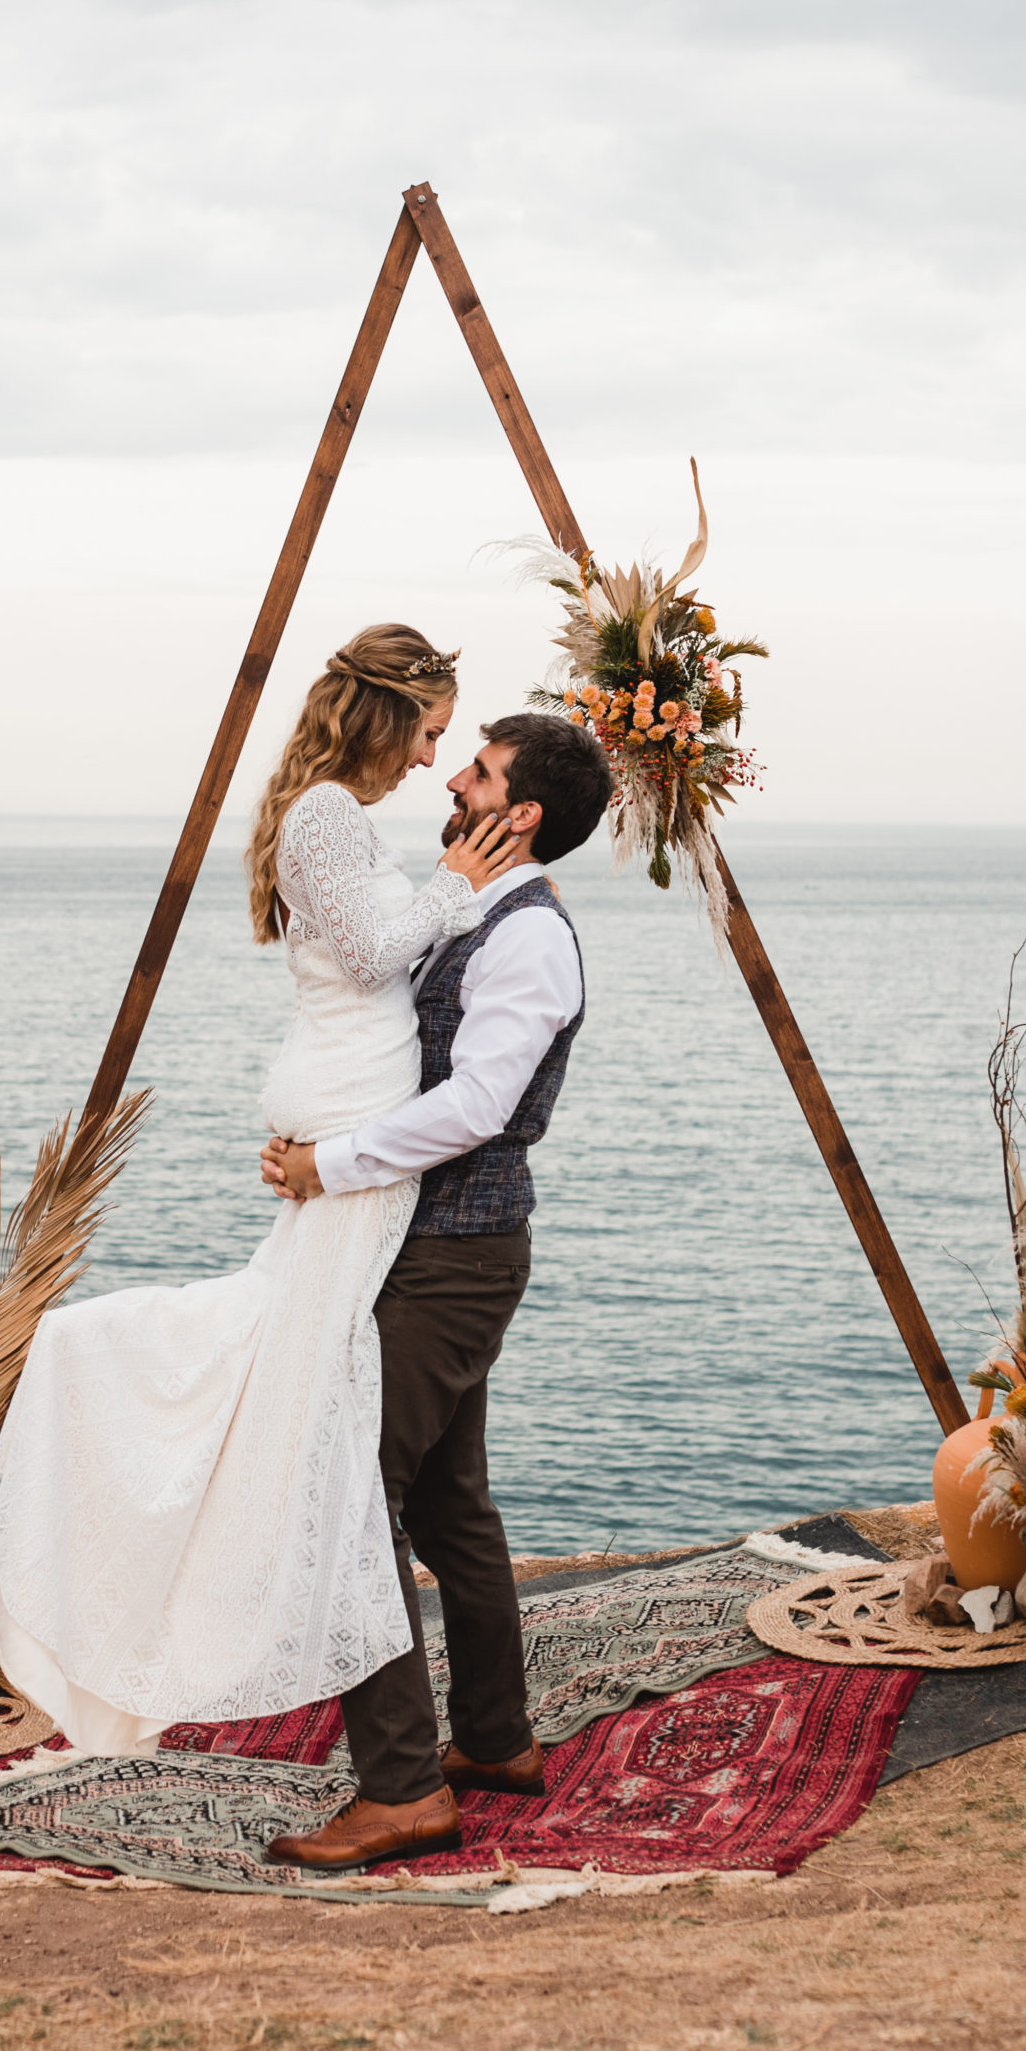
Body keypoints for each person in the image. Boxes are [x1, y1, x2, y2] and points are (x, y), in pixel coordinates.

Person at [0, 625, 521, 1753]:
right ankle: (116, 1420)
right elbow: (375, 957)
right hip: (355, 1111)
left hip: (356, 1108)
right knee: (298, 1373)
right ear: (385, 715)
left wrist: (447, 895)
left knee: (310, 1362)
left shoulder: (335, 817)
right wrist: (459, 884)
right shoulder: (325, 814)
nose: (431, 759)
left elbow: (380, 951)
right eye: (427, 731)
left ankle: (439, 1726)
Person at [257, 710, 613, 1870]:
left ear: (523, 816)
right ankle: (498, 1742)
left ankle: (403, 1787)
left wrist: (330, 1163)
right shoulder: (478, 911)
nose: (450, 778)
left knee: (354, 1501)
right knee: (453, 1503)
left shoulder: (530, 941)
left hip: (455, 1258)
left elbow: (477, 1109)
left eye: (480, 770)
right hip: (436, 1244)